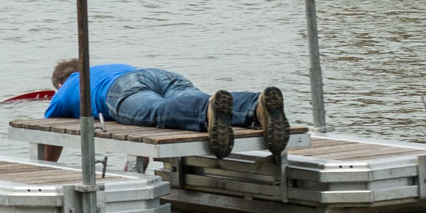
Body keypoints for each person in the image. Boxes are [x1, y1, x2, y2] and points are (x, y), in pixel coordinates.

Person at [46, 57, 290, 157]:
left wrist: (47, 167)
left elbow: (49, 133)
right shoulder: (107, 67)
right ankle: (255, 105)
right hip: (154, 74)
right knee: (206, 104)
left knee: (157, 112)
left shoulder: (66, 88)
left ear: (59, 83)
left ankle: (205, 112)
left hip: (119, 90)